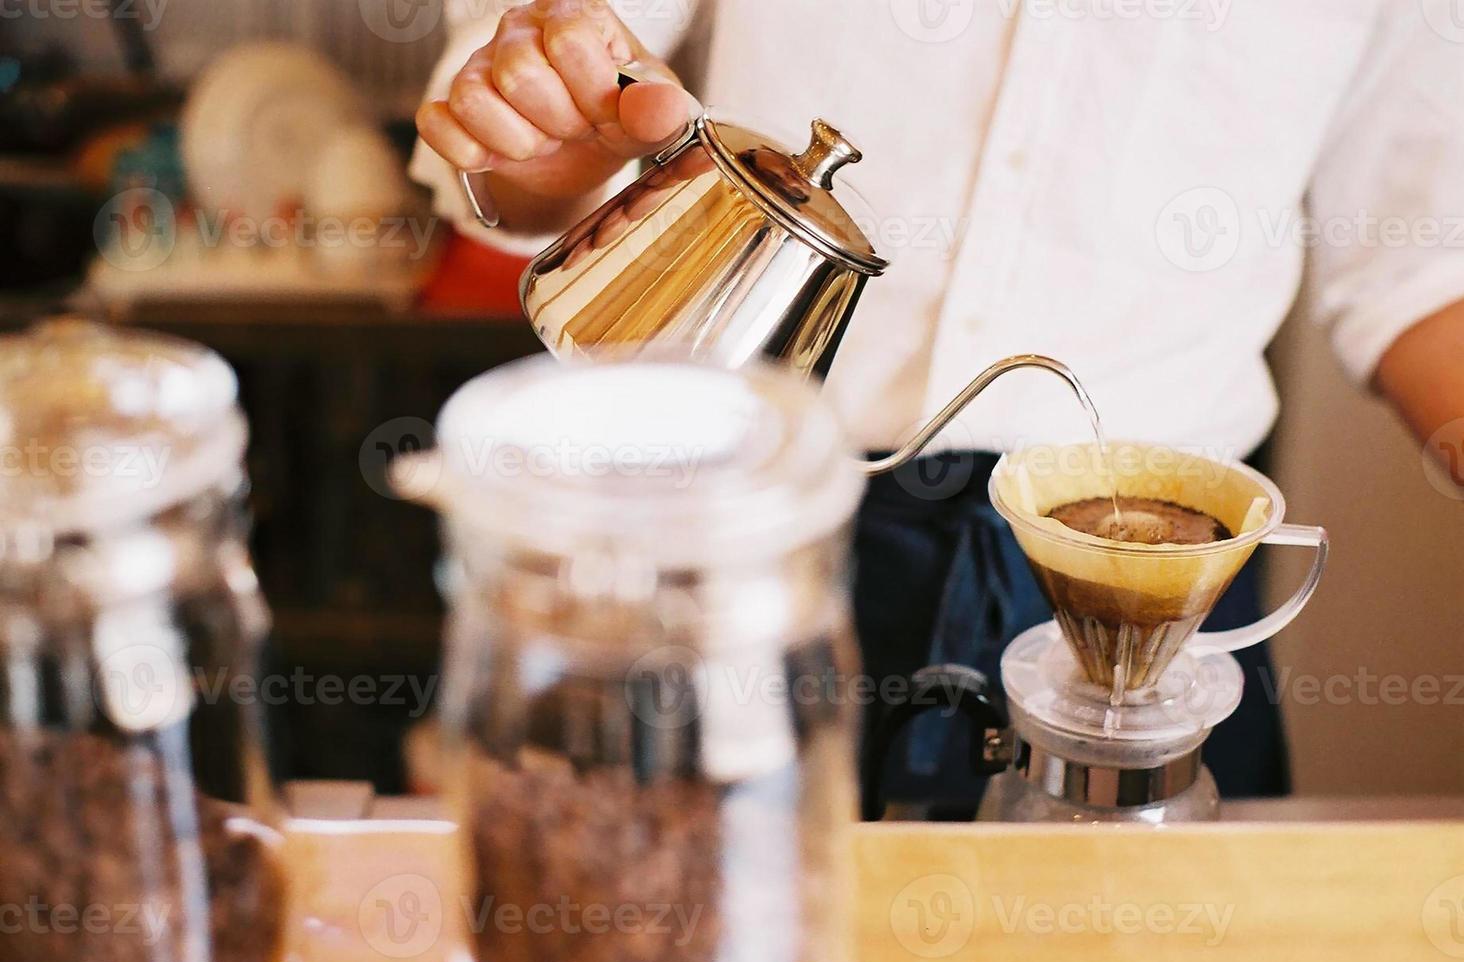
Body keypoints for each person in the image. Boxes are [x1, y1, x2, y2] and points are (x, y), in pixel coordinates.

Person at [412, 0, 1464, 810]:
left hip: (1160, 595)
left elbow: (1423, 267)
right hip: (744, 543)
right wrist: (544, 131)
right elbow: (549, 96)